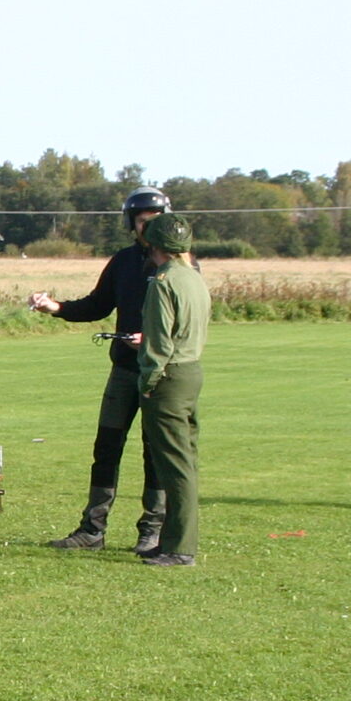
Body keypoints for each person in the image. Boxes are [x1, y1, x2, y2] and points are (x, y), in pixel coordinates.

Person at [31, 187, 170, 553]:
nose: (148, 229)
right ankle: (93, 528)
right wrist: (55, 307)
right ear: (131, 223)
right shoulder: (123, 262)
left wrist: (152, 339)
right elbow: (97, 305)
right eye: (142, 222)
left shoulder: (180, 267)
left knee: (155, 451)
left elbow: (188, 322)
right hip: (124, 369)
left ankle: (151, 529)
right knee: (106, 446)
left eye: (155, 222)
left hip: (162, 373)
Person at [134, 214, 209, 567]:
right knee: (184, 461)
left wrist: (147, 382)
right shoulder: (194, 279)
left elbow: (160, 342)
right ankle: (172, 542)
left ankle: (180, 548)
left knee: (175, 467)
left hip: (170, 378)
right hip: (192, 370)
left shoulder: (162, 282)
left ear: (154, 245)